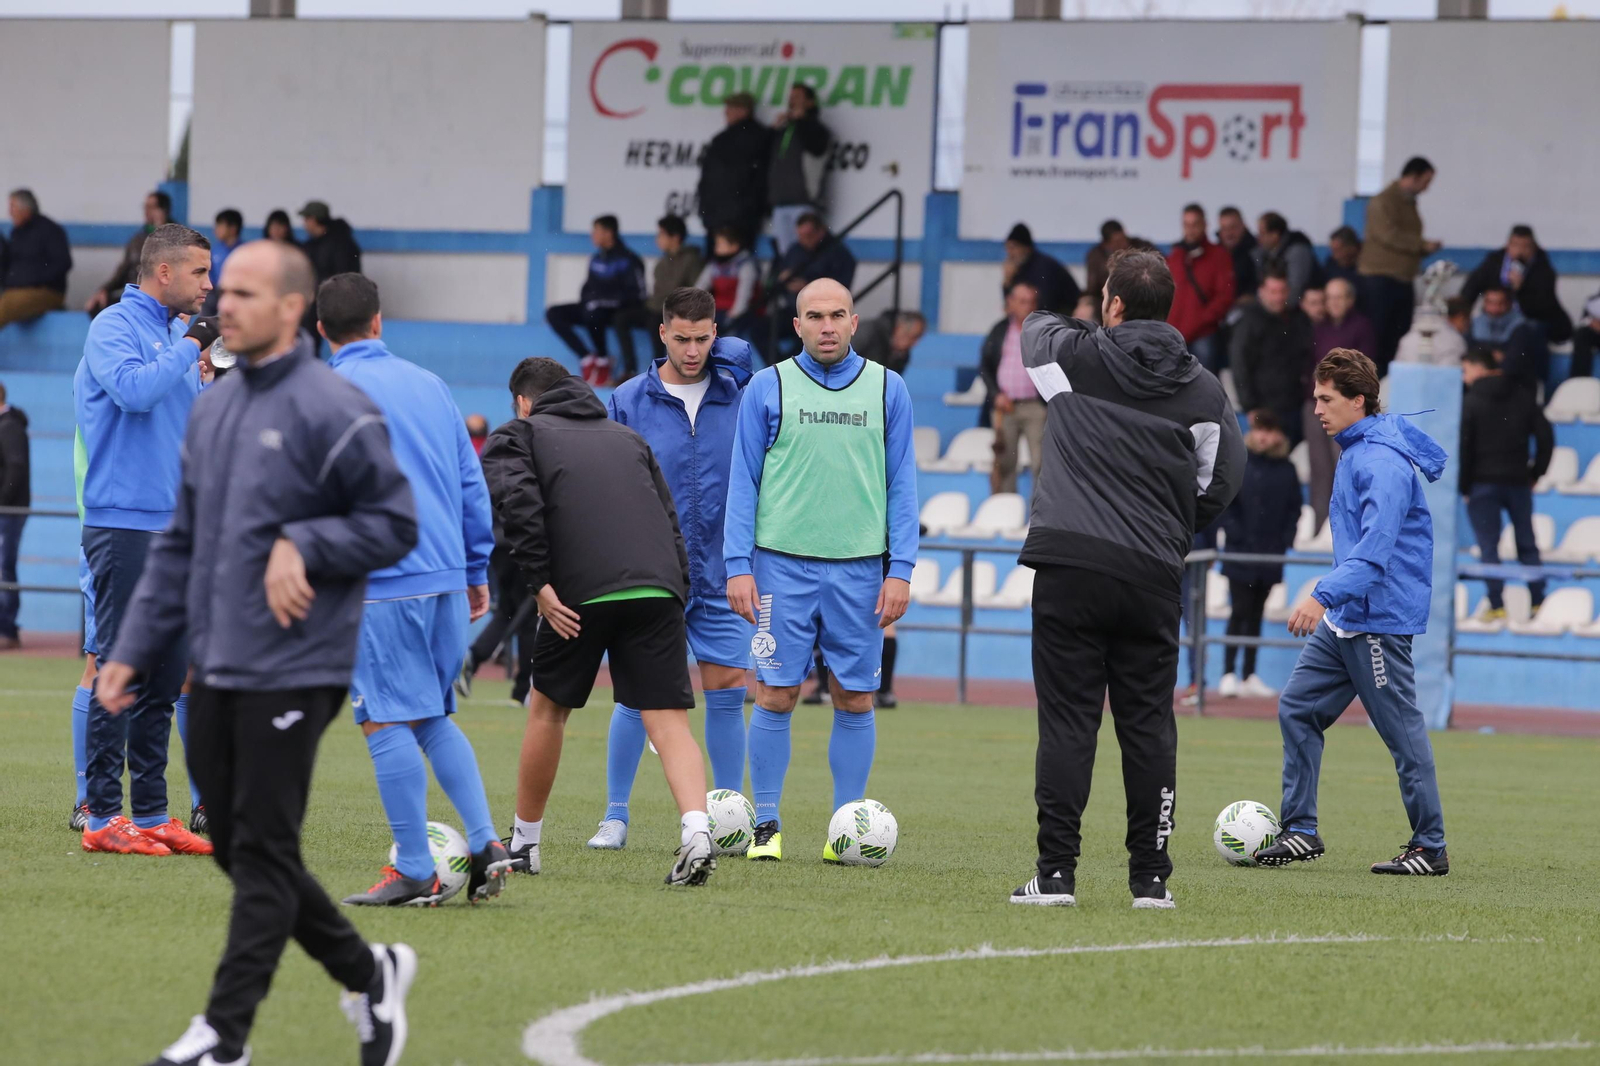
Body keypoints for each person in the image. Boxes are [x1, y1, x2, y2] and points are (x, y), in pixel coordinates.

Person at [98, 239, 421, 1066]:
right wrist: (131, 650)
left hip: (301, 664)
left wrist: (304, 542)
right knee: (241, 849)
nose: (221, 305)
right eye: (219, 290)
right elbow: (180, 543)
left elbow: (393, 523)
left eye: (240, 292)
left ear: (290, 310)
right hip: (219, 660)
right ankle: (368, 969)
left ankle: (224, 1036)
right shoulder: (214, 404)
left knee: (266, 847)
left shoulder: (333, 406)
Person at [1008, 249, 1244, 909]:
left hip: (1070, 565)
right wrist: (1169, 525)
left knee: (1066, 723)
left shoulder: (1075, 359)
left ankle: (1055, 874)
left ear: (1112, 303)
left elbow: (1033, 327)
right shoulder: (1204, 390)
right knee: (1147, 726)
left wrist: (1093, 319)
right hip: (1150, 575)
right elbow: (1222, 482)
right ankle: (1151, 879)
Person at [312, 273, 512, 907]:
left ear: (321, 332)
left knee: (383, 721)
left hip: (377, 583)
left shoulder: (322, 393)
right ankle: (485, 843)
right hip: (444, 580)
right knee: (431, 714)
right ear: (378, 322)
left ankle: (417, 869)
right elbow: (469, 484)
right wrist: (476, 570)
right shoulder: (430, 385)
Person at [482, 357, 719, 887]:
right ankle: (697, 831)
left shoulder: (519, 434)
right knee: (669, 721)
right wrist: (675, 588)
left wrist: (540, 584)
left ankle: (524, 843)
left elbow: (518, 507)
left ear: (524, 401)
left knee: (547, 712)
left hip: (580, 593)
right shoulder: (626, 437)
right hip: (658, 589)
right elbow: (669, 516)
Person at [725, 278, 917, 863]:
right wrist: (738, 565)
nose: (827, 325)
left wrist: (900, 568)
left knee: (855, 698)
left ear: (855, 322)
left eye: (838, 315)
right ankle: (766, 826)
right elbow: (743, 482)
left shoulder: (889, 389)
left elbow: (903, 485)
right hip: (779, 570)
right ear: (797, 325)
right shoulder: (766, 387)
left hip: (860, 572)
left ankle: (847, 829)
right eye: (815, 316)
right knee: (775, 692)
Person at [1255, 348, 1451, 878]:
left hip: (1377, 619)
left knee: (1402, 734)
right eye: (1315, 397)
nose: (1317, 409)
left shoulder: (1381, 463)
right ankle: (1300, 831)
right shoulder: (1357, 451)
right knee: (1298, 708)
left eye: (1326, 399)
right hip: (1350, 615)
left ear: (1357, 400)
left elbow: (1375, 552)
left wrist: (1321, 594)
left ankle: (1430, 848)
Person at [591, 287, 756, 850]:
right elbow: (610, 484)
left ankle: (728, 814)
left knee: (729, 687)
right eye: (681, 338)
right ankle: (615, 816)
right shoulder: (626, 401)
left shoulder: (743, 395)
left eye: (703, 338)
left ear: (717, 333)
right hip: (651, 571)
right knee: (636, 696)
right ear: (662, 333)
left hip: (726, 570)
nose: (692, 350)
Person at [74, 223, 217, 857]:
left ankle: (154, 812)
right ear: (163, 273)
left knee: (166, 677)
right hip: (124, 522)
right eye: (199, 274)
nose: (209, 285)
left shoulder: (172, 337)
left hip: (177, 526)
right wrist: (191, 348)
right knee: (120, 667)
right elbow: (134, 394)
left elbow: (183, 426)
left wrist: (208, 378)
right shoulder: (112, 326)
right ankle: (104, 815)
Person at [1459, 346, 1553, 623]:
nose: (1464, 378)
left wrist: (1465, 486)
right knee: (1527, 543)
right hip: (1518, 482)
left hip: (1482, 484)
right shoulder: (1523, 395)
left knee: (1489, 547)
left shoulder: (1471, 400)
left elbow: (1464, 446)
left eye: (1465, 370)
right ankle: (1538, 601)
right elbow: (1546, 436)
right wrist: (1536, 473)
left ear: (1478, 367)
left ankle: (1497, 604)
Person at [1218, 410, 1302, 700]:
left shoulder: (1287, 470)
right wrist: (1235, 533)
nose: (1263, 436)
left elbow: (1294, 509)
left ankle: (1249, 674)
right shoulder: (1240, 462)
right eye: (1259, 429)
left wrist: (1285, 540)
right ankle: (1228, 673)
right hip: (1240, 553)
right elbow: (1227, 504)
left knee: (1256, 615)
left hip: (1269, 557)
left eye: (1270, 430)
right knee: (1238, 611)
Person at [1358, 156, 1441, 374]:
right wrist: (1421, 245)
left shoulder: (1408, 203)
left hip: (1402, 279)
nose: (1427, 187)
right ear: (1413, 177)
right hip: (1380, 279)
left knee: (1399, 338)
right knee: (1379, 339)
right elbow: (1387, 235)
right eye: (1426, 181)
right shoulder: (1383, 201)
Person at [545, 214, 646, 387]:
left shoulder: (629, 260)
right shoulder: (596, 259)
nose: (593, 235)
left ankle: (602, 360)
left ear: (609, 233)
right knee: (553, 313)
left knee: (594, 311)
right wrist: (589, 301)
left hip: (616, 310)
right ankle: (587, 357)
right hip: (591, 308)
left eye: (596, 231)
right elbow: (587, 289)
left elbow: (637, 294)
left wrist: (602, 302)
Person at [1309, 278, 1378, 530]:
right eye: (1330, 297)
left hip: (1347, 406)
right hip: (1314, 404)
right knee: (1319, 467)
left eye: (1339, 297)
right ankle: (1319, 527)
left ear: (1350, 300)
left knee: (1346, 464)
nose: (1334, 303)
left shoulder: (1362, 326)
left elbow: (1365, 368)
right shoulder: (1318, 327)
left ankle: (1349, 526)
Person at [609, 215, 705, 381]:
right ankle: (630, 370)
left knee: (656, 322)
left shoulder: (692, 260)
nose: (657, 239)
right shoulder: (663, 261)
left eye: (661, 234)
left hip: (675, 312)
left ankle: (661, 372)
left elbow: (696, 293)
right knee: (621, 318)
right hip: (654, 307)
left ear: (675, 237)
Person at [1230, 268, 1314, 445]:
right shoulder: (1249, 320)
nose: (1278, 297)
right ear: (1261, 292)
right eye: (1273, 292)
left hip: (1296, 402)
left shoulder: (1297, 318)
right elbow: (1240, 365)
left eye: (1282, 291)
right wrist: (1250, 407)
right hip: (1265, 407)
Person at [980, 282, 1047, 494]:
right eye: (1022, 301)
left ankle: (1039, 518)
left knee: (1041, 463)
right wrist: (995, 394)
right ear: (1011, 304)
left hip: (1036, 406)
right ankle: (1004, 512)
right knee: (1005, 463)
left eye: (1031, 301)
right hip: (1005, 406)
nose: (1028, 306)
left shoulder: (1043, 330)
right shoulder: (999, 329)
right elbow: (985, 366)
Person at [1460, 225, 1572, 345]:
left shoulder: (1543, 268)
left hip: (1528, 319)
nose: (1520, 251)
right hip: (1496, 316)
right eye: (1515, 245)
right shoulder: (1494, 261)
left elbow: (1544, 306)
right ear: (1508, 246)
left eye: (1525, 246)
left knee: (1528, 333)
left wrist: (1521, 288)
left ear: (1534, 248)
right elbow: (1472, 287)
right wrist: (1462, 313)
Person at [1166, 204, 1236, 376]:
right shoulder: (1175, 256)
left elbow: (1225, 297)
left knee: (1205, 387)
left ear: (1205, 225)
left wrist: (1200, 321)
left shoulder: (1219, 256)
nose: (1190, 229)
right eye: (1186, 224)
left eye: (1195, 224)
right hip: (1174, 335)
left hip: (1204, 334)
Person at [697, 91, 772, 252]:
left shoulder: (759, 137)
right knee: (716, 269)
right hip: (718, 216)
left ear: (744, 110)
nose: (725, 112)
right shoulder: (722, 138)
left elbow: (758, 180)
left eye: (730, 107)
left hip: (739, 218)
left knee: (738, 266)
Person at [767, 83, 832, 253]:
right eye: (790, 97)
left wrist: (801, 120)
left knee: (806, 251)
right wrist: (774, 129)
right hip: (780, 203)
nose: (792, 101)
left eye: (798, 97)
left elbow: (817, 147)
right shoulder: (783, 129)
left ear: (810, 103)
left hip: (804, 202)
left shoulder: (816, 129)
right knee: (785, 255)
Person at [85, 190, 170, 316]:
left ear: (163, 210)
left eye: (151, 207)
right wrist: (104, 290)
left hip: (157, 292)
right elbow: (123, 269)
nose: (146, 211)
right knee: (99, 306)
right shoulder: (138, 239)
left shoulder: (174, 236)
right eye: (145, 207)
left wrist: (160, 228)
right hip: (134, 290)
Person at [1, 189, 72, 327]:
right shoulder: (17, 232)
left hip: (46, 292)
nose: (10, 212)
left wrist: (32, 280)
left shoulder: (50, 230)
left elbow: (63, 263)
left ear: (26, 209)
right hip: (15, 292)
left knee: (7, 304)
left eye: (13, 207)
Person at [1471, 284, 1547, 390]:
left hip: (1513, 385)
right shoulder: (1476, 323)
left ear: (1509, 304)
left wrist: (1485, 364)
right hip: (1479, 382)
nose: (1494, 308)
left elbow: (1513, 363)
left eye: (1500, 303)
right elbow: (1469, 356)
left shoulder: (1520, 327)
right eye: (1490, 303)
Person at [0, 380, 29, 648]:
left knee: (4, 567)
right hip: (8, 509)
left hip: (8, 511)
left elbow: (15, 469)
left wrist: (3, 502)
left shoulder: (9, 427)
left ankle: (7, 629)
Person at [1002, 223, 1080, 315]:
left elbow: (1045, 303)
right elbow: (1009, 305)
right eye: (1008, 248)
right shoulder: (1017, 267)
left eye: (1013, 248)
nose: (1010, 253)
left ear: (1025, 247)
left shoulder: (1043, 267)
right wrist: (1008, 281)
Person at [695, 225, 760, 334]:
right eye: (716, 244)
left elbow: (743, 297)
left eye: (721, 244)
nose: (716, 248)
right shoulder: (714, 265)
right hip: (717, 310)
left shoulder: (746, 266)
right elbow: (699, 288)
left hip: (740, 314)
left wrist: (732, 316)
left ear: (734, 246)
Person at [1254, 212, 1322, 307]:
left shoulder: (1297, 252)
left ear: (1275, 235)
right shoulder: (1266, 252)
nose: (1258, 238)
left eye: (1262, 233)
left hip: (1299, 309)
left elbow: (1296, 289)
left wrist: (1280, 311)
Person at [854, 309, 927, 375]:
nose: (915, 343)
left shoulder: (901, 356)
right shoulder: (867, 333)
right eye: (913, 337)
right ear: (900, 328)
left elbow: (889, 384)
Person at [202, 209, 243, 316]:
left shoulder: (244, 251)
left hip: (237, 293)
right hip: (215, 293)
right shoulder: (214, 250)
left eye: (220, 226)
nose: (216, 230)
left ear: (233, 229)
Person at [1216, 206, 1259, 302]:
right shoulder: (1215, 254)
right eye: (1224, 228)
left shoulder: (1256, 252)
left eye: (1232, 227)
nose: (1228, 233)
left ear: (1243, 226)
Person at [1572, 290, 1600, 379]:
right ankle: (1580, 380)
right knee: (1581, 335)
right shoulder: (1593, 300)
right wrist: (1592, 323)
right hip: (1595, 333)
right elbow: (1584, 320)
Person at [1325, 225, 1361, 290]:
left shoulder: (1365, 266)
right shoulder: (1331, 264)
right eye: (1333, 251)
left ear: (1352, 248)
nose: (1335, 256)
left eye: (1338, 250)